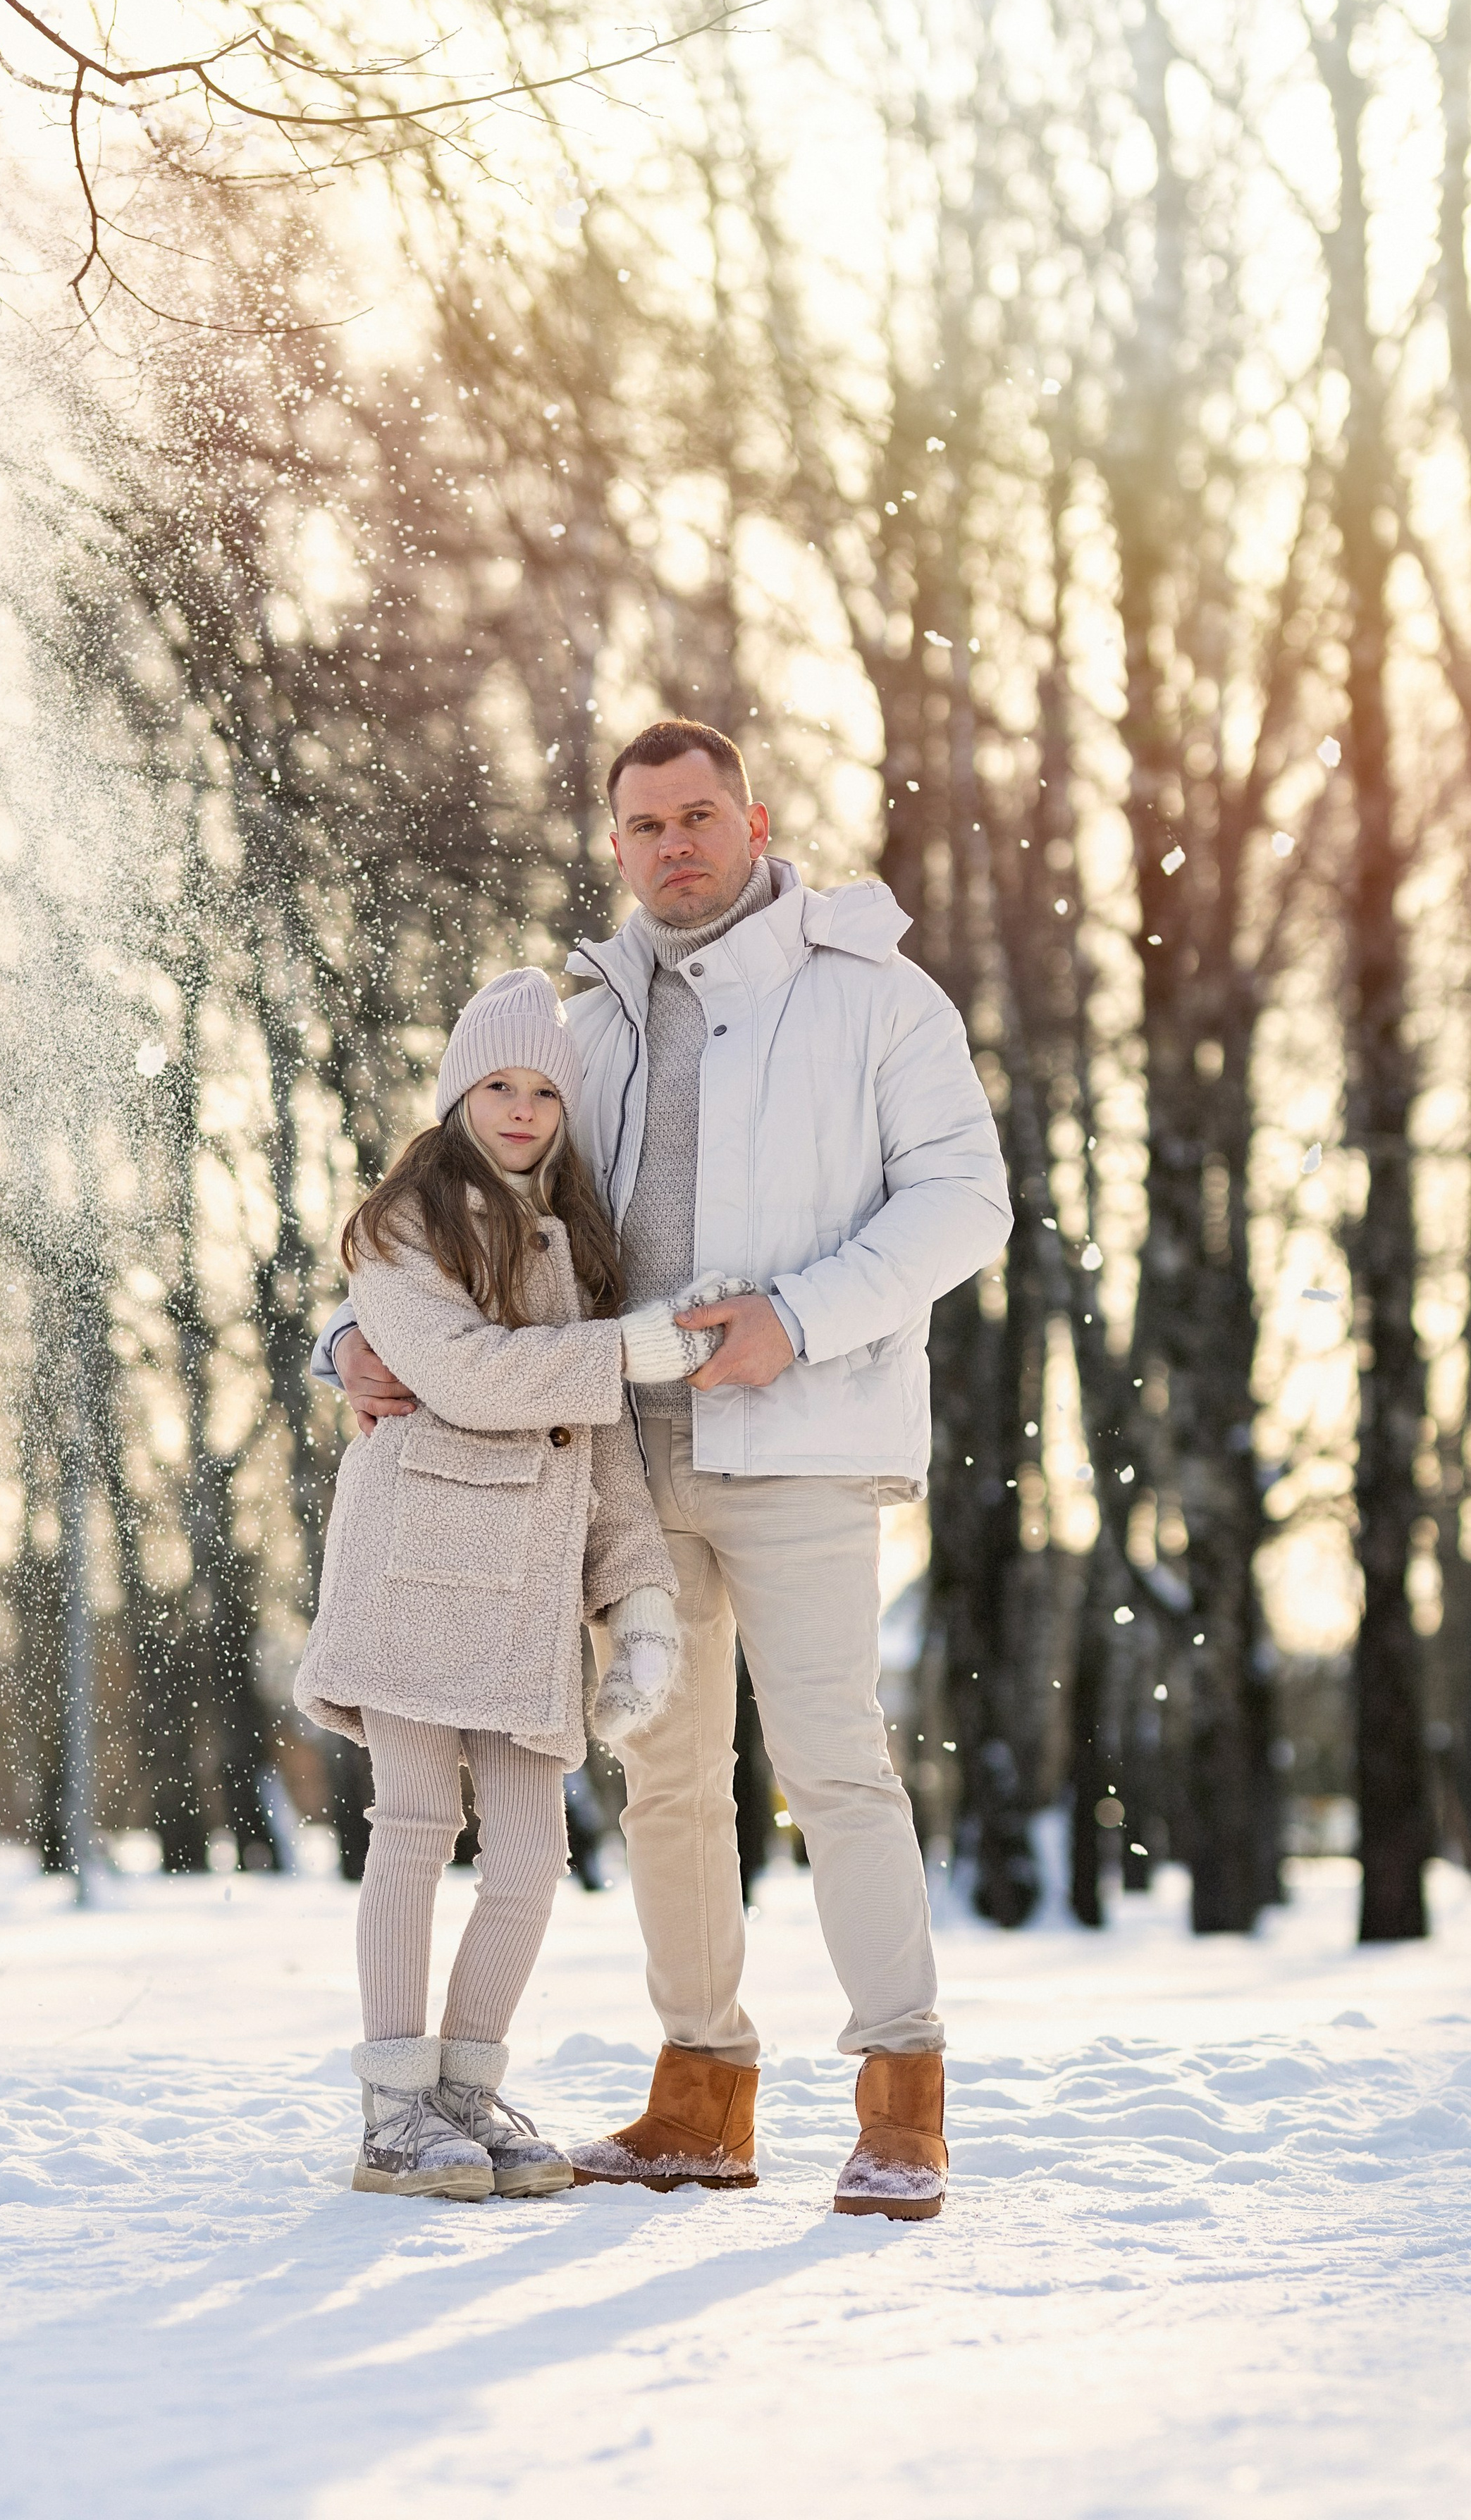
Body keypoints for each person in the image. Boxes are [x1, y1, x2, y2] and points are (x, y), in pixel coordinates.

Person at [316, 722, 1012, 2218]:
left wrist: (797, 1320)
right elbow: (480, 1212)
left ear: (754, 822)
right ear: (615, 845)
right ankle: (701, 2088)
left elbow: (964, 1201)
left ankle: (901, 2097)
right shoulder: (589, 1021)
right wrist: (349, 1344)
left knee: (834, 1768)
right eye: (642, 826)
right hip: (621, 1470)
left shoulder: (874, 999)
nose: (671, 846)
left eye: (698, 817)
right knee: (670, 1784)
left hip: (804, 1445)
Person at [295, 965, 735, 2202]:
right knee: (418, 1826)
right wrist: (627, 1349)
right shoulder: (399, 1230)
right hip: (418, 1567)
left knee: (534, 1857)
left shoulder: (575, 1241)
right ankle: (393, 2106)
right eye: (499, 1084)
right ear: (458, 1093)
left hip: (527, 1595)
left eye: (545, 1089)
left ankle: (464, 2094)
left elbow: (592, 1450)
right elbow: (475, 1377)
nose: (525, 1109)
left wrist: (637, 1601)